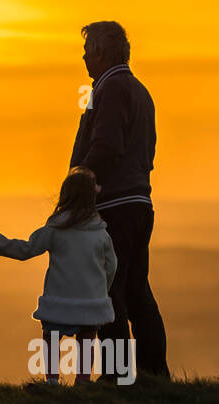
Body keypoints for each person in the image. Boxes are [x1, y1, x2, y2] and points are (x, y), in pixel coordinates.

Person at [69, 21, 169, 380]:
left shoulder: (110, 89)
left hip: (114, 207)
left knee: (112, 292)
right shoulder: (140, 91)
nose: (83, 57)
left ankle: (116, 376)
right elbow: (148, 152)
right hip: (140, 203)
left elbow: (107, 147)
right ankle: (154, 373)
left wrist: (80, 182)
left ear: (100, 52)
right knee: (137, 288)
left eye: (86, 50)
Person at [0, 168, 116, 384]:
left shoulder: (56, 230)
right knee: (87, 339)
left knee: (51, 337)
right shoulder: (101, 234)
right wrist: (102, 291)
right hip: (91, 301)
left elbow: (26, 250)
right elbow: (112, 265)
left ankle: (52, 379)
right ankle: (83, 380)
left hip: (59, 299)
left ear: (65, 196)